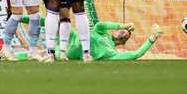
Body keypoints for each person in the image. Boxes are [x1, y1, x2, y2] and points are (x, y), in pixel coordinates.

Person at [18, 17, 163, 61]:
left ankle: (5, 56)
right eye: (122, 30)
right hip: (72, 36)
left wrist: (152, 38)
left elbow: (135, 54)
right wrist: (122, 24)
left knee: (41, 54)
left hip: (72, 52)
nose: (124, 32)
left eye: (126, 35)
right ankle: (20, 18)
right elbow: (102, 24)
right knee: (56, 21)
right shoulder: (103, 32)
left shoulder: (111, 52)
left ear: (123, 42)